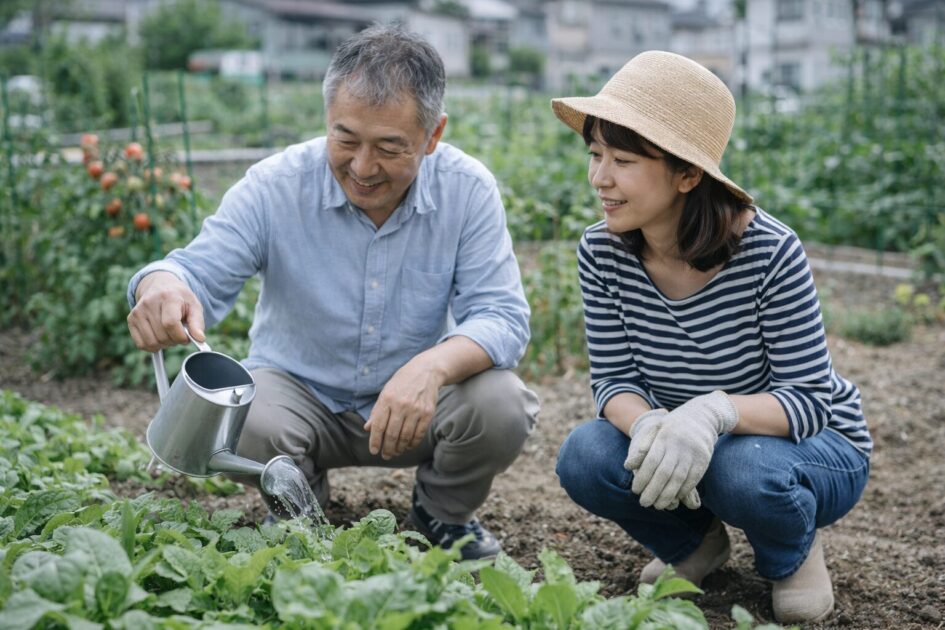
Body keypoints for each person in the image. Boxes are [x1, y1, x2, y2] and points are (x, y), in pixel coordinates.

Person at [126, 24, 539, 560]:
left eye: (390, 147)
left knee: (500, 404)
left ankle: (442, 516)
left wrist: (431, 367)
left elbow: (502, 314)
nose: (363, 168)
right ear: (326, 119)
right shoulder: (276, 185)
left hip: (409, 407)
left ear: (433, 136)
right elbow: (196, 270)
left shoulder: (467, 190)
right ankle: (300, 513)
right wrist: (163, 285)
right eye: (345, 140)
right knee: (248, 416)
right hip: (300, 397)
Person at [551, 51, 870, 624]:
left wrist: (711, 412)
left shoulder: (769, 251)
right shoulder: (600, 251)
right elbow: (615, 380)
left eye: (623, 159)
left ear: (687, 173)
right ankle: (694, 544)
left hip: (813, 449)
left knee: (741, 470)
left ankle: (791, 552)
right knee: (586, 455)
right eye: (595, 155)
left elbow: (808, 400)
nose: (600, 178)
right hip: (688, 438)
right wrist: (649, 423)